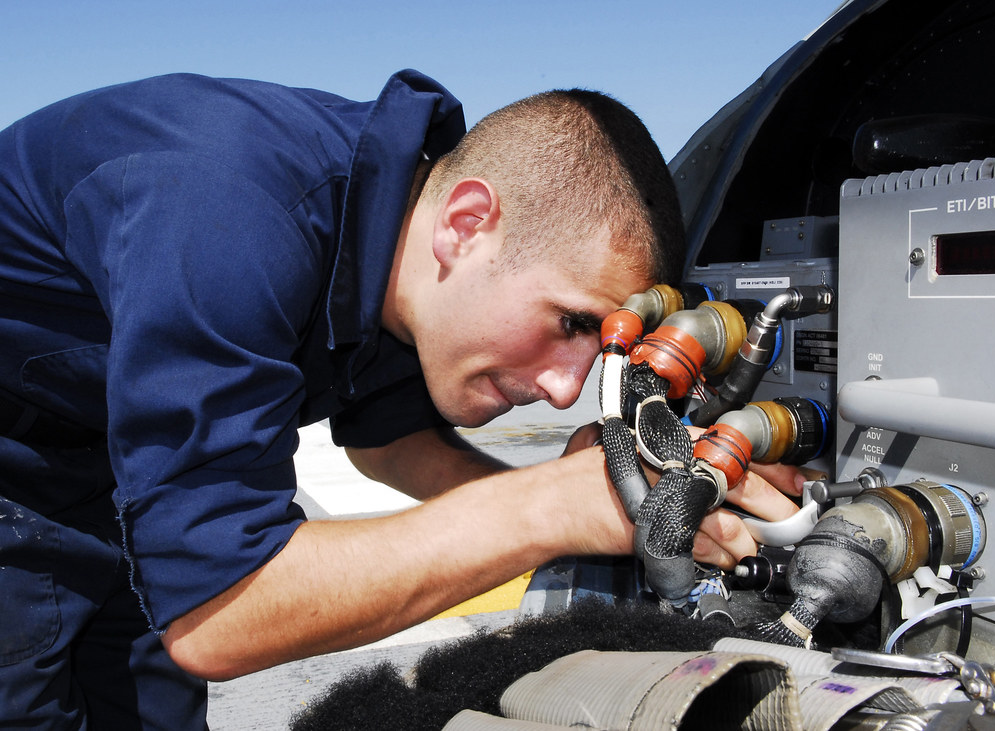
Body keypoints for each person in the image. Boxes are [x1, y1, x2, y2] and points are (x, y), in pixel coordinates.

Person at [0, 69, 804, 729]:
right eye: (569, 320)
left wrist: (607, 505)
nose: (565, 387)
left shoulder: (400, 251)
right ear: (467, 222)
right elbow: (218, 614)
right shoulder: (227, 214)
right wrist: (544, 508)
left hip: (103, 463)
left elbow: (386, 443)